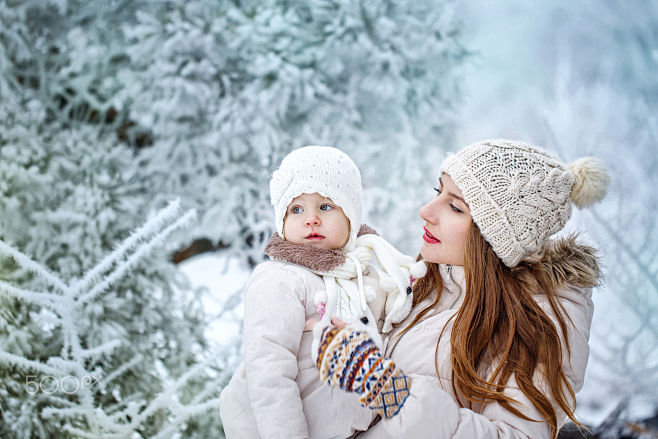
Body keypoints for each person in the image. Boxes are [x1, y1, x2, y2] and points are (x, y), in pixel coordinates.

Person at [312, 139, 609, 438]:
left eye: (455, 207)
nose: (426, 211)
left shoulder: (536, 322)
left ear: (495, 239)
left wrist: (386, 388)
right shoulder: (433, 283)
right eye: (437, 191)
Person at [219, 145, 426, 439]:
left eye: (325, 206)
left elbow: (394, 330)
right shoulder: (279, 279)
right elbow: (269, 373)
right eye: (297, 209)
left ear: (351, 216)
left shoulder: (364, 276)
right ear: (282, 219)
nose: (311, 219)